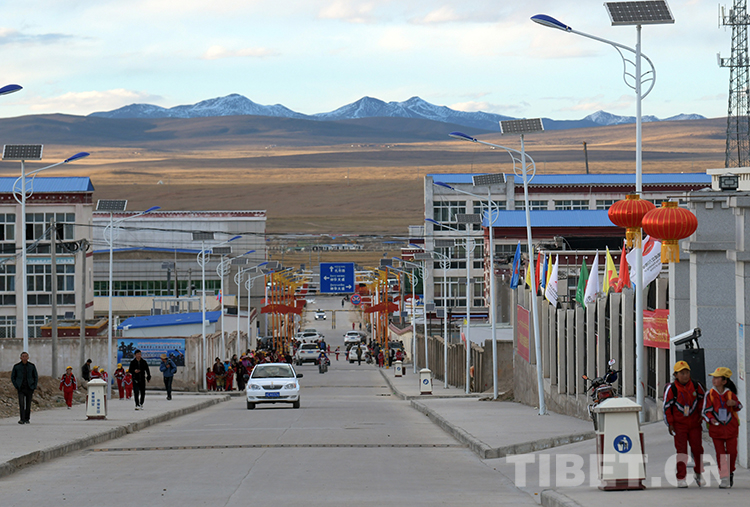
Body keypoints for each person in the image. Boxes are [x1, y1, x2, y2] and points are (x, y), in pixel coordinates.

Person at [663, 361, 705, 488]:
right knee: (682, 451)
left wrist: (701, 414)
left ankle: (698, 473)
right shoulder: (672, 389)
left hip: (695, 424)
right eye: (682, 373)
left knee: (698, 449)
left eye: (687, 372)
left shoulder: (696, 386)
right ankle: (681, 477)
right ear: (675, 375)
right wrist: (670, 424)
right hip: (679, 425)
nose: (685, 375)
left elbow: (703, 401)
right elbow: (667, 408)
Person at [703, 366, 743, 488]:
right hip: (717, 429)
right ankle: (724, 477)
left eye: (717, 378)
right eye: (713, 377)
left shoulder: (730, 394)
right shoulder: (710, 394)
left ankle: (730, 471)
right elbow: (706, 411)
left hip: (731, 428)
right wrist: (711, 419)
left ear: (724, 381)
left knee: (732, 453)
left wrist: (734, 403)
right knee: (720, 454)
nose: (714, 380)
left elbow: (739, 406)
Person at [11, 352, 38, 424]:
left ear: (28, 357)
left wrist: (34, 386)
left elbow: (35, 376)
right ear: (20, 357)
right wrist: (16, 385)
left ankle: (27, 418)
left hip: (29, 388)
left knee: (28, 404)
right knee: (21, 404)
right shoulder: (16, 367)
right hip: (21, 388)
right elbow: (13, 377)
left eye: (26, 356)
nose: (24, 358)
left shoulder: (32, 366)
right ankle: (22, 419)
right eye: (23, 356)